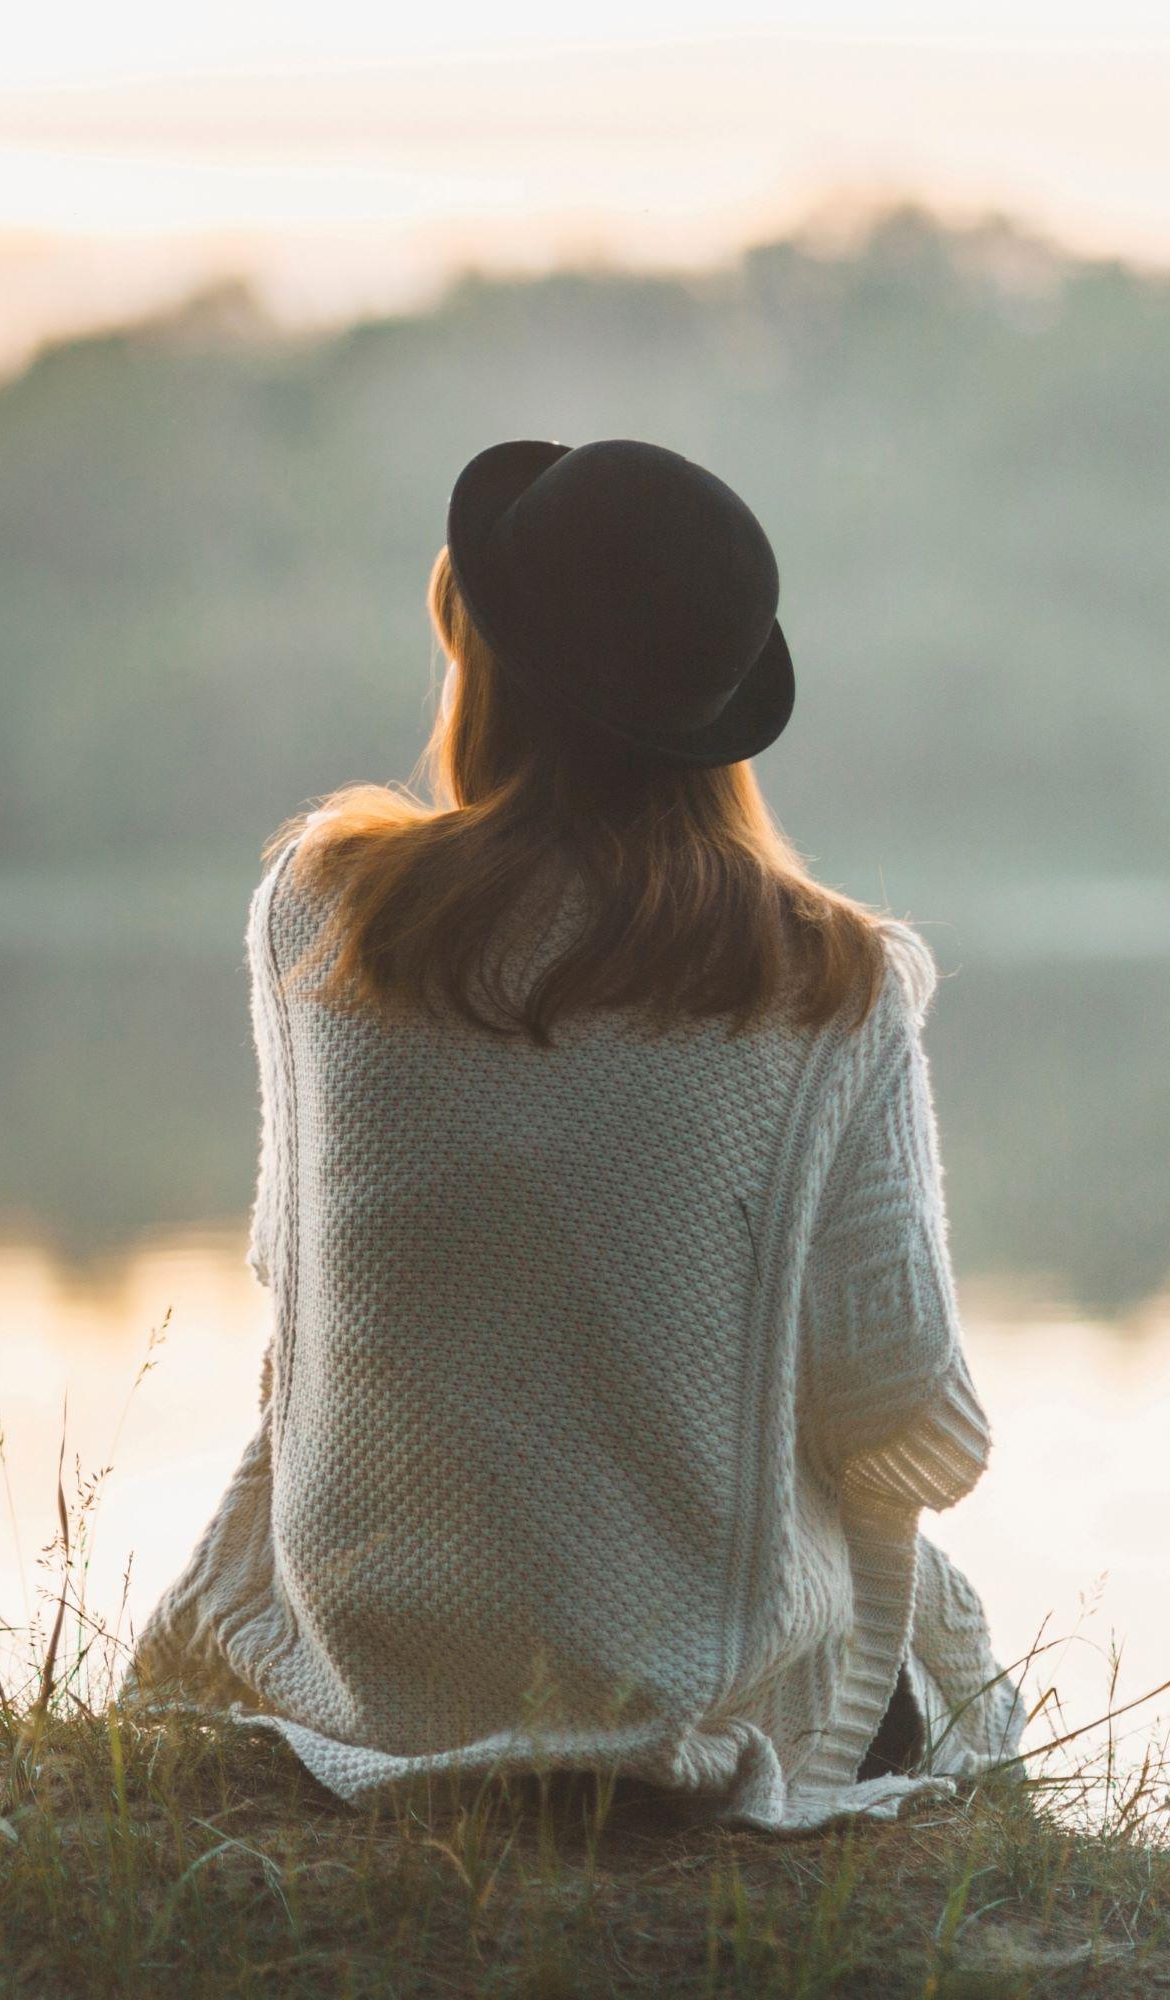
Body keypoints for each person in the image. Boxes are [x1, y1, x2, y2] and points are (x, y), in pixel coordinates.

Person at [127, 438, 1024, 1829]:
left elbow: (294, 1282)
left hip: (368, 1662)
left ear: (485, 678)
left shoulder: (325, 913)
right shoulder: (835, 981)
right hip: (674, 1706)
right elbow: (902, 1408)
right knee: (931, 1632)